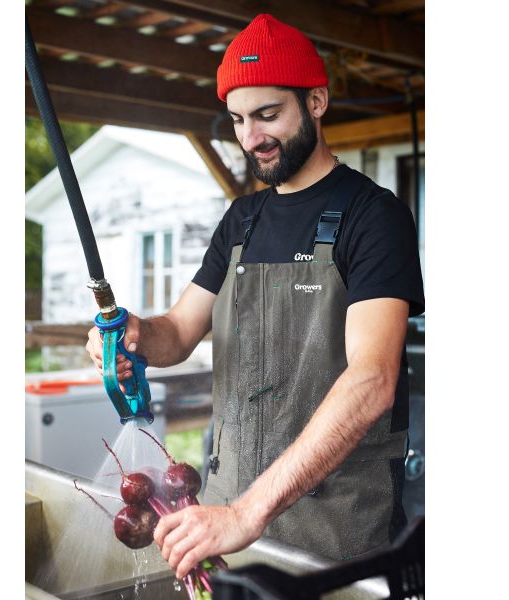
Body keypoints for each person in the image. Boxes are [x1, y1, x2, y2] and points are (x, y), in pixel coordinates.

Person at [86, 13, 424, 580]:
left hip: (336, 540)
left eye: (268, 115)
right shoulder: (241, 220)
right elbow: (178, 332)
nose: (251, 138)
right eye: (239, 119)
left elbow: (372, 380)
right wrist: (138, 334)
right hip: (227, 529)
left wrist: (249, 512)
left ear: (316, 101)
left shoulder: (374, 216)